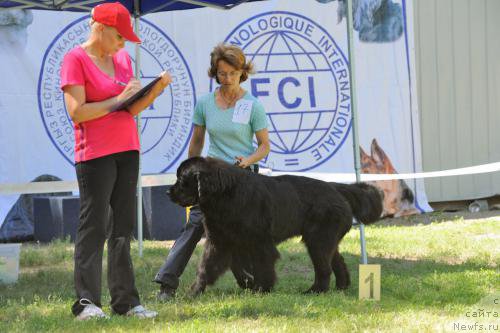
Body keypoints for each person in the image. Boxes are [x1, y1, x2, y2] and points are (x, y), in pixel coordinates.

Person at [60, 2, 172, 320]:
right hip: (94, 154)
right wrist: (119, 99)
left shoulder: (121, 59)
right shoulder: (75, 59)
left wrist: (154, 91)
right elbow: (77, 112)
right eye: (119, 37)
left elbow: (130, 110)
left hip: (127, 149)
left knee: (122, 228)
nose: (123, 44)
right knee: (94, 226)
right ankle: (86, 303)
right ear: (101, 29)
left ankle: (125, 303)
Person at [153, 43, 270, 300]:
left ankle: (248, 278)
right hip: (211, 177)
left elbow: (264, 146)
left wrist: (248, 160)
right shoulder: (205, 103)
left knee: (239, 229)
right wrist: (188, 172)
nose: (226, 78)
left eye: (231, 73)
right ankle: (167, 283)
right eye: (221, 73)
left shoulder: (253, 106)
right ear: (215, 73)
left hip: (243, 178)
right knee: (195, 225)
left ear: (242, 72)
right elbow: (196, 141)